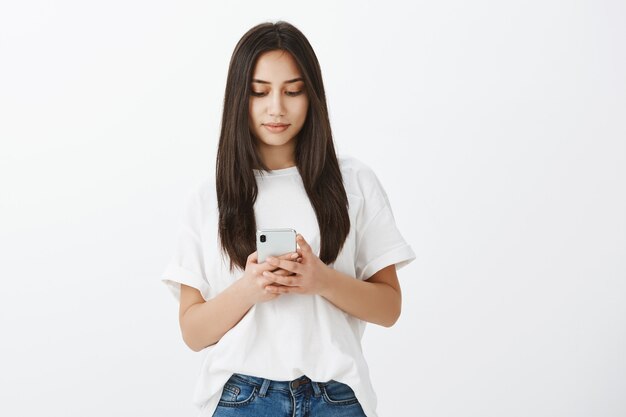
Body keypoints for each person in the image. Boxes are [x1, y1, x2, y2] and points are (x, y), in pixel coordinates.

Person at [161, 21, 416, 417]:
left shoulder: (354, 182)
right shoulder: (208, 197)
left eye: (293, 91)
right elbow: (193, 333)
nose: (276, 107)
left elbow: (390, 307)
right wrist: (249, 289)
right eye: (259, 92)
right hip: (242, 398)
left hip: (338, 397)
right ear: (238, 99)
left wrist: (321, 280)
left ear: (312, 96)